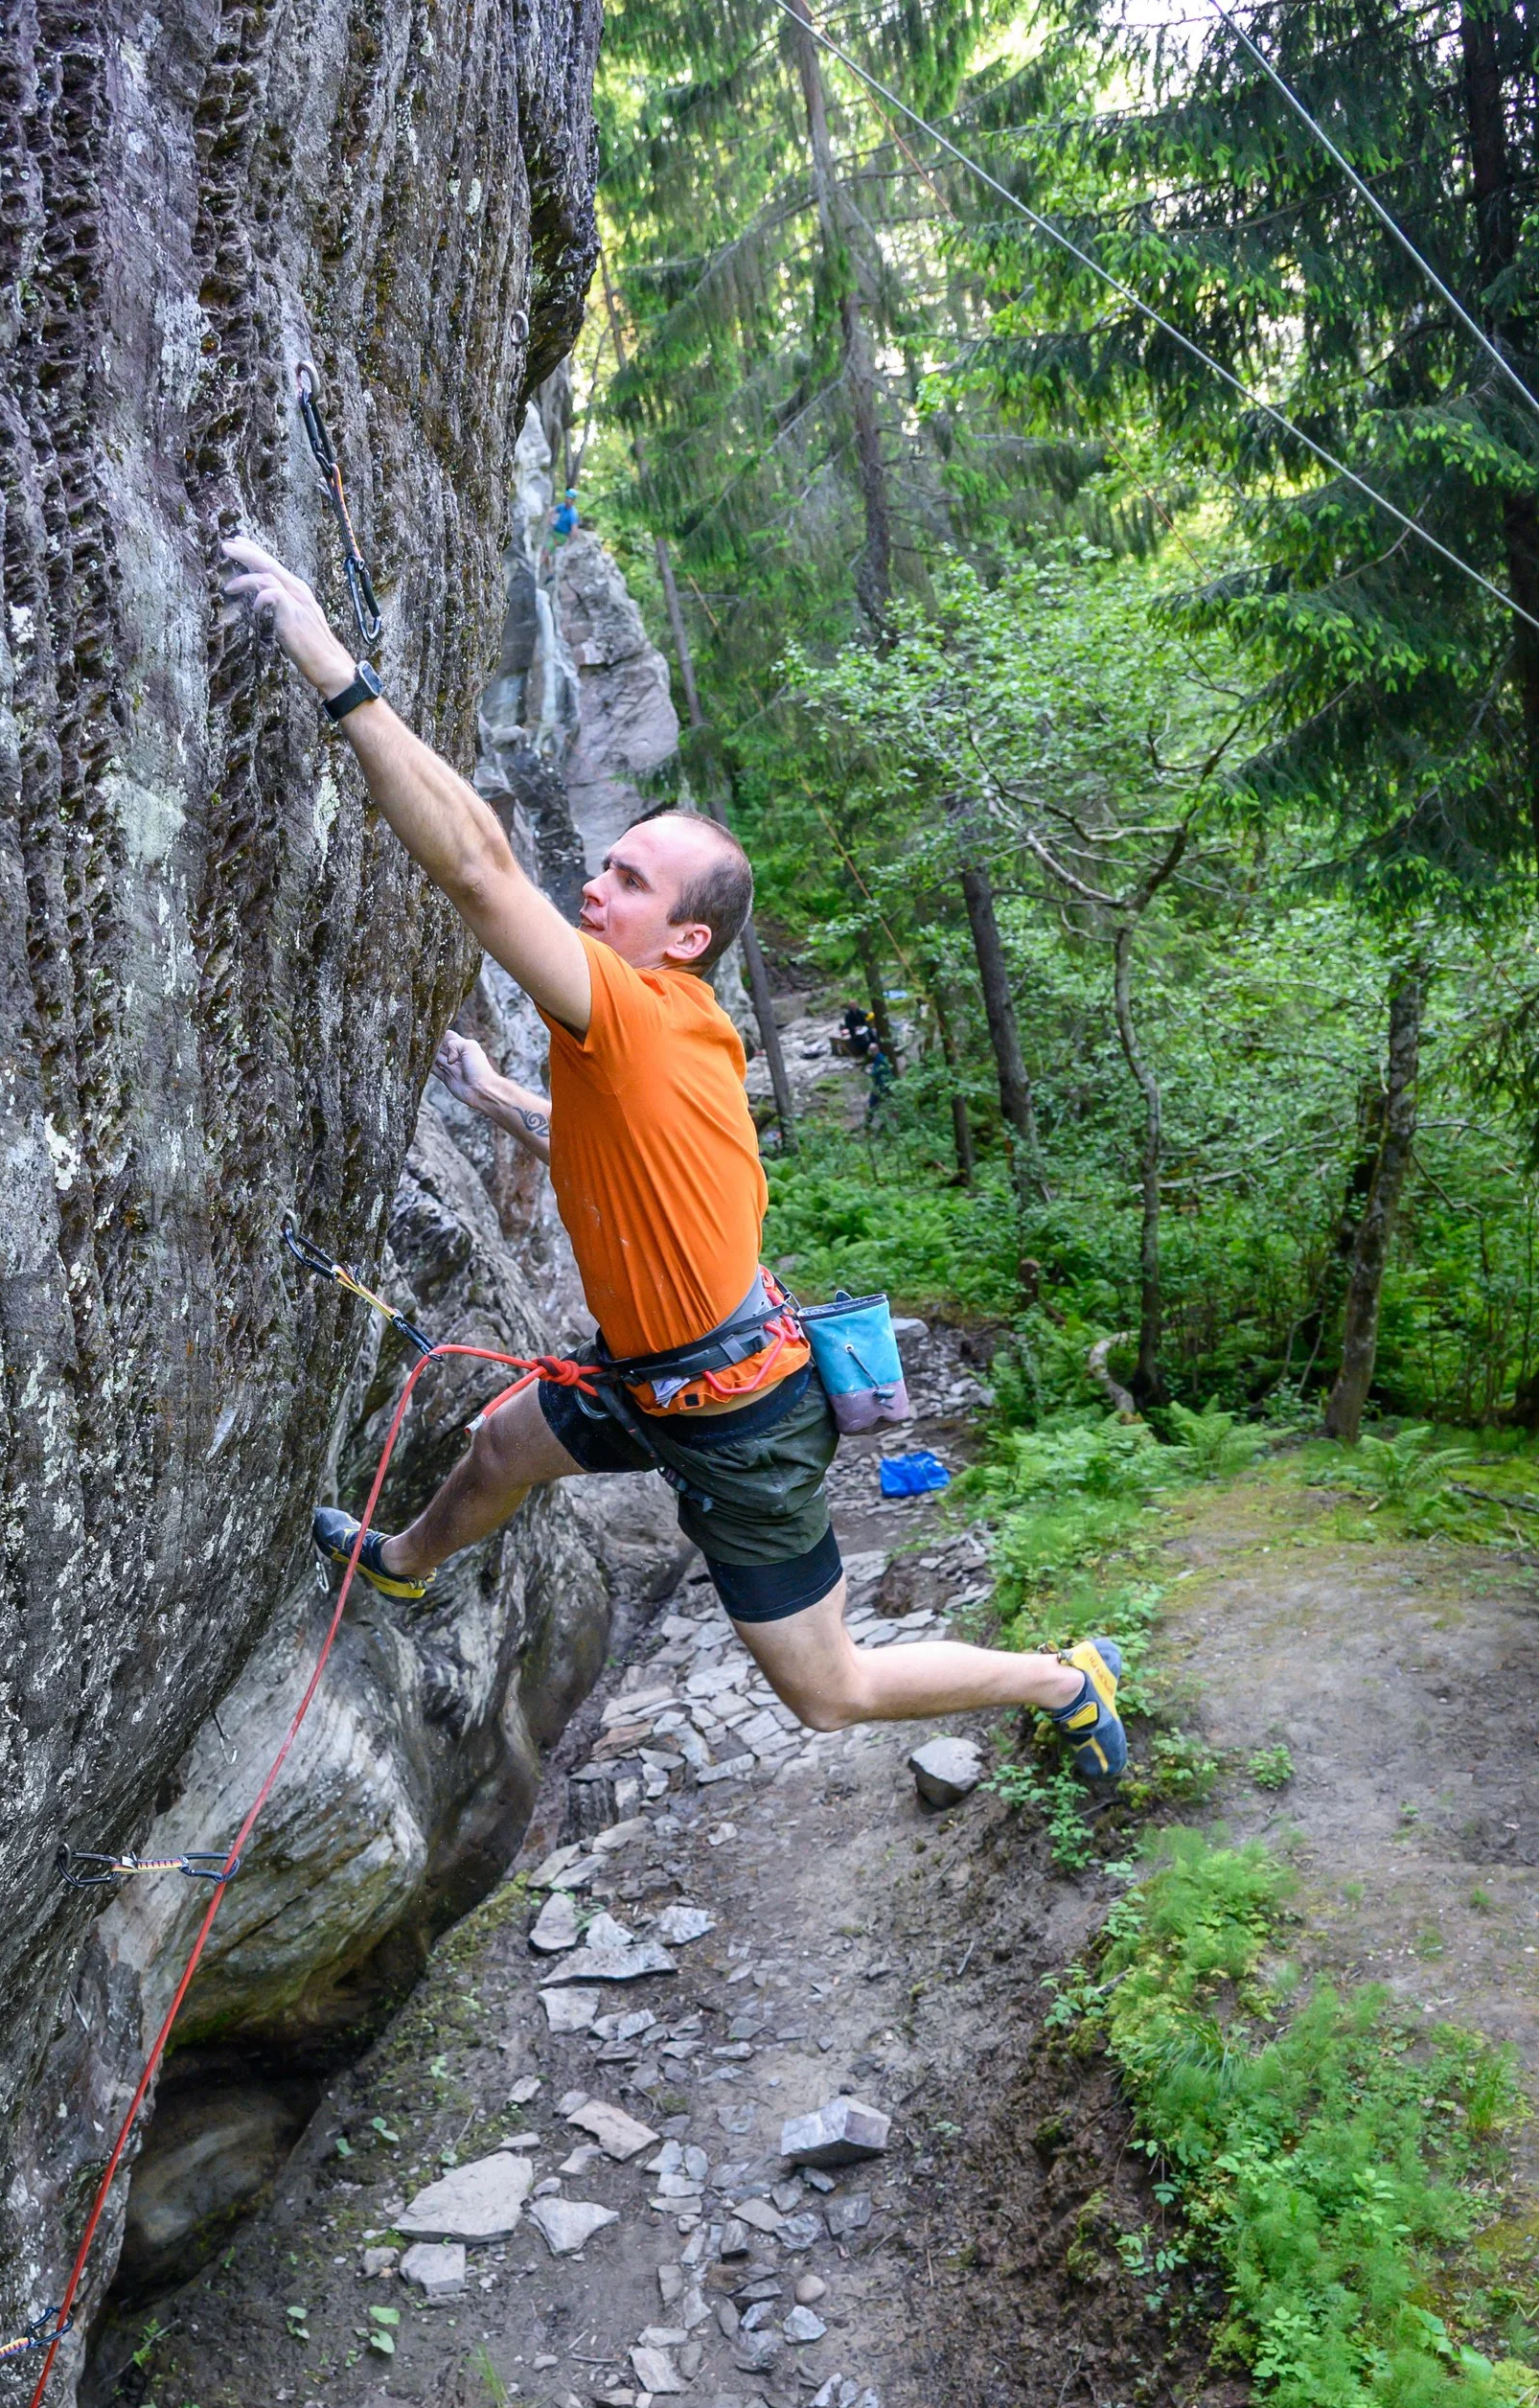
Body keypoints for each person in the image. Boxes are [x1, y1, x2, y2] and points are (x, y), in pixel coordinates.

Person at [218, 531, 1130, 1783]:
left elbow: (478, 870)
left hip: (742, 1421)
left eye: (630, 882)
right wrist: (500, 1098)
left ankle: (1061, 1679)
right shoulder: (672, 1030)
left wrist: (336, 671)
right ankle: (405, 1566)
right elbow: (627, 1161)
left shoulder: (634, 1011)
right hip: (653, 1374)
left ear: (687, 936)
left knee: (828, 1692)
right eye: (605, 865)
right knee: (501, 1448)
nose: (597, 888)